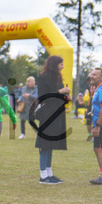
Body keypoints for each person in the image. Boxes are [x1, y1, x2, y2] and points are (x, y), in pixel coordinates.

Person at [33, 56, 70, 185]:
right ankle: (43, 176)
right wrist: (60, 91)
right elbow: (43, 97)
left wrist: (66, 96)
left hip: (57, 113)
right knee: (44, 145)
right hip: (47, 115)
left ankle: (49, 174)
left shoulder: (58, 77)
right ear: (54, 64)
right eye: (61, 64)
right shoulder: (43, 77)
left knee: (50, 145)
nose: (63, 66)